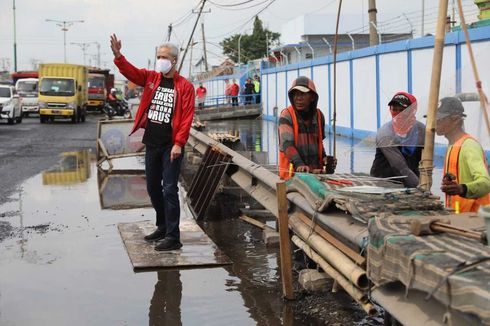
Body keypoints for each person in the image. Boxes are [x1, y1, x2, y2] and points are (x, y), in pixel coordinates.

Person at [110, 34, 195, 251]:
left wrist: (179, 143)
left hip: (170, 146)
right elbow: (131, 72)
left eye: (164, 57)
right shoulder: (151, 78)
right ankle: (163, 226)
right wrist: (118, 55)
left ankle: (173, 237)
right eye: (158, 56)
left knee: (169, 189)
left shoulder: (185, 87)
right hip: (152, 143)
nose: (160, 60)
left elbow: (186, 117)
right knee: (152, 188)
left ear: (174, 60)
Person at [436, 97, 490, 213]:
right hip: (460, 218)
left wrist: (461, 188)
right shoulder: (452, 145)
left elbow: (485, 183)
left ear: (455, 120)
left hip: (477, 221)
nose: (435, 122)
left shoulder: (469, 146)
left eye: (439, 119)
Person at [278, 76, 336, 180]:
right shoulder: (287, 115)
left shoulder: (319, 116)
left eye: (302, 94)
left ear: (312, 97)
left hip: (315, 176)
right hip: (292, 178)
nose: (298, 98)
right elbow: (287, 145)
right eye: (295, 94)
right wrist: (299, 164)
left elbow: (319, 144)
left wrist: (325, 159)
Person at [370, 91, 425, 188]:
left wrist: (425, 183)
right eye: (394, 109)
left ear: (413, 111)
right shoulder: (385, 133)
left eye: (403, 110)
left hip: (410, 182)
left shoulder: (421, 130)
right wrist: (420, 187)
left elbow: (425, 163)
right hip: (382, 183)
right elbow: (400, 167)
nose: (398, 114)